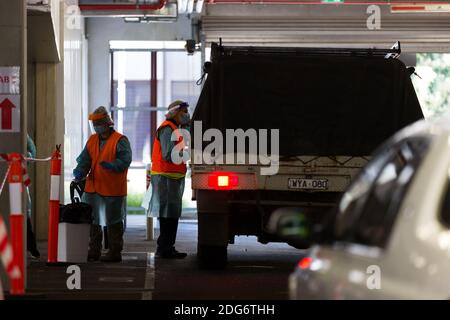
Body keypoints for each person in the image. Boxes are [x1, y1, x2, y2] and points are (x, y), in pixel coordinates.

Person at [73, 106, 132, 262]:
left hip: (112, 188)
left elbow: (125, 160)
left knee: (114, 221)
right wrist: (79, 171)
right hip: (93, 188)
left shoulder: (120, 140)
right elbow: (85, 160)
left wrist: (114, 165)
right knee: (92, 220)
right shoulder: (92, 140)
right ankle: (94, 250)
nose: (96, 126)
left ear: (107, 123)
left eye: (98, 122)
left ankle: (114, 251)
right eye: (94, 123)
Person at [149, 100, 190, 259]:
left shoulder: (176, 129)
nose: (186, 115)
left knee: (171, 214)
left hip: (172, 178)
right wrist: (187, 155)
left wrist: (187, 127)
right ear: (174, 113)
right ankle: (164, 248)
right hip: (165, 178)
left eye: (187, 112)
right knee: (167, 215)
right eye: (183, 113)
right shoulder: (167, 129)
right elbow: (168, 154)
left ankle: (167, 247)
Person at [26, 134, 40, 259]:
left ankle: (31, 247)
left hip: (16, 176)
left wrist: (28, 157)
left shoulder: (20, 134)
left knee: (24, 217)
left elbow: (32, 150)